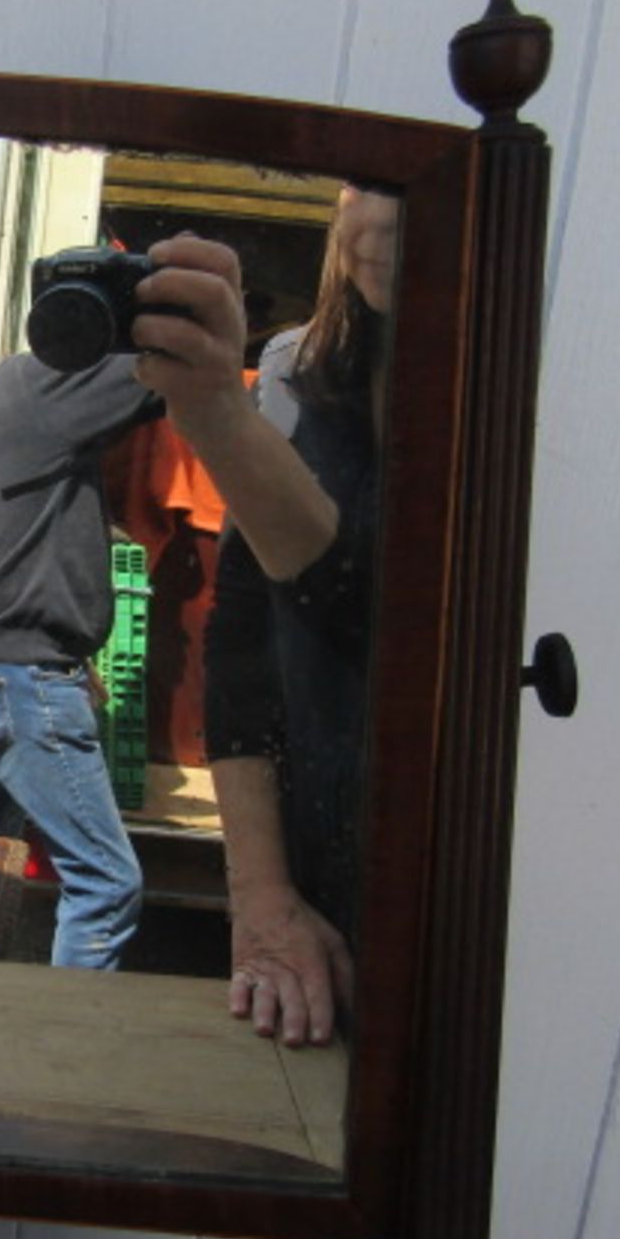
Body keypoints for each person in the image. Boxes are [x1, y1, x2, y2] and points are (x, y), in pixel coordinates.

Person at [130, 186, 399, 1047]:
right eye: (360, 183)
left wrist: (216, 419)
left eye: (404, 182)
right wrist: (263, 900)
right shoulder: (294, 370)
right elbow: (244, 629)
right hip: (315, 891)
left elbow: (393, 630)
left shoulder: (524, 384)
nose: (373, 213)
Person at [0, 342, 163, 970]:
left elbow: (21, 537)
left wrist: (63, 647)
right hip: (20, 676)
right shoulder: (59, 380)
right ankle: (65, 1046)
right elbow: (177, 367)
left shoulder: (13, 386)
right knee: (105, 883)